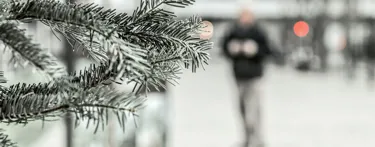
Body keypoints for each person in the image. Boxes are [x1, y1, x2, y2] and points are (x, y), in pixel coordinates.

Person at [221, 8, 271, 147]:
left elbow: (268, 50)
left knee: (253, 111)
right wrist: (232, 49)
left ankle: (257, 139)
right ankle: (247, 138)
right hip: (239, 77)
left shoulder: (258, 32)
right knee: (242, 109)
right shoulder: (233, 31)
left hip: (254, 77)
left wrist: (255, 50)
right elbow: (224, 47)